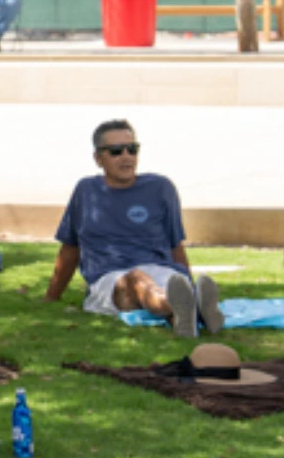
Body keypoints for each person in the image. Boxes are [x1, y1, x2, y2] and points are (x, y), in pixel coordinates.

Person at [44, 119, 221, 337]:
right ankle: (188, 308)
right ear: (98, 158)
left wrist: (188, 280)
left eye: (132, 149)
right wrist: (52, 296)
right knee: (137, 280)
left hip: (162, 269)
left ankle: (184, 313)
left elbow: (175, 245)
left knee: (168, 282)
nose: (126, 156)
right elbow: (70, 248)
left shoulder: (161, 187)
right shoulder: (86, 191)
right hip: (110, 277)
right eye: (116, 151)